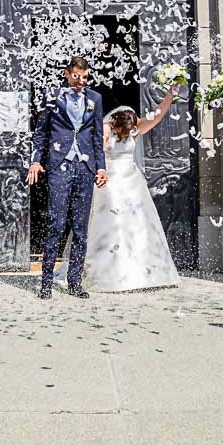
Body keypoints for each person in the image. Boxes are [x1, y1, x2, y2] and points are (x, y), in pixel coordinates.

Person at [61, 87, 181, 292]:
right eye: (124, 129)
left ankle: (144, 272)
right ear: (115, 122)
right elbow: (95, 150)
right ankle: (105, 272)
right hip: (111, 182)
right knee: (112, 225)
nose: (130, 132)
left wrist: (169, 97)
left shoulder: (133, 127)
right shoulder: (106, 129)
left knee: (138, 225)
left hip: (132, 181)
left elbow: (156, 117)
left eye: (132, 128)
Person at [27, 57, 108, 300]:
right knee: (57, 224)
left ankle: (74, 282)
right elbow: (41, 132)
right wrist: (36, 160)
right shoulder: (52, 97)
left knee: (81, 229)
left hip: (85, 167)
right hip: (59, 165)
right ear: (67, 74)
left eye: (85, 78)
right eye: (76, 77)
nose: (81, 82)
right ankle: (46, 283)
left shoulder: (95, 99)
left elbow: (96, 137)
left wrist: (101, 168)